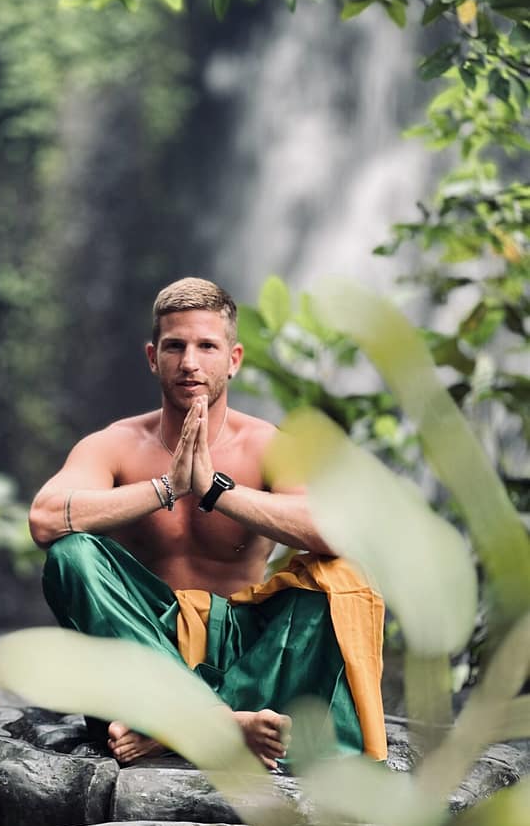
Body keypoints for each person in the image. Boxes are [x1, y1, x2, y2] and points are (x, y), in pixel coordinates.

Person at [29, 277, 385, 769]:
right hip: (145, 642)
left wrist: (216, 490)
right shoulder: (114, 445)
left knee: (343, 577)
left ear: (233, 359)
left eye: (207, 347)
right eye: (175, 346)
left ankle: (173, 727)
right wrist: (167, 488)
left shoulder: (268, 446)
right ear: (153, 357)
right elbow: (45, 519)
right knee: (71, 555)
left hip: (243, 646)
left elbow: (335, 532)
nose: (189, 363)